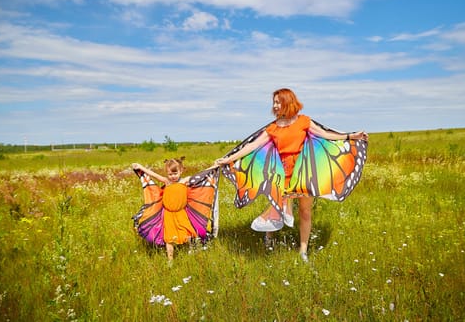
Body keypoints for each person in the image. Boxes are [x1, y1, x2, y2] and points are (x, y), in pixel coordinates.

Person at [216, 88, 368, 262]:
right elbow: (250, 147)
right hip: (281, 176)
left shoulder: (304, 121)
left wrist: (351, 136)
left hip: (304, 174)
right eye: (274, 102)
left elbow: (325, 135)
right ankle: (269, 239)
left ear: (288, 102)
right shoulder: (272, 128)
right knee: (276, 207)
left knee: (304, 211)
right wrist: (228, 159)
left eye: (278, 102)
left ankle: (303, 251)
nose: (274, 105)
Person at [132, 157, 219, 265]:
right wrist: (140, 167)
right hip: (168, 214)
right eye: (170, 174)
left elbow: (201, 174)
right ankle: (170, 260)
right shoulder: (167, 181)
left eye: (175, 173)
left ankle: (191, 249)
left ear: (181, 171)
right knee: (169, 238)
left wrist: (214, 166)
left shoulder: (184, 181)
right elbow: (152, 174)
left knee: (187, 233)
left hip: (181, 213)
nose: (172, 176)